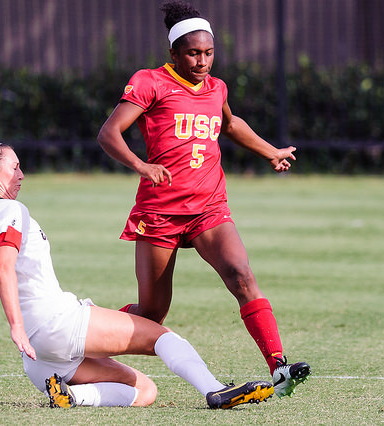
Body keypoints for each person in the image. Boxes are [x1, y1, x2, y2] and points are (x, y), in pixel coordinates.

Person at [0, 136, 275, 409]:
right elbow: (4, 267)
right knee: (161, 336)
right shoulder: (9, 209)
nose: (21, 174)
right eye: (14, 166)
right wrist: (16, 327)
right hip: (56, 326)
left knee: (144, 391)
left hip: (39, 360)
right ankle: (214, 390)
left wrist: (24, 332)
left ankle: (72, 396)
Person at [97, 1, 310, 398]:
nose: (202, 61)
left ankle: (279, 366)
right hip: (160, 211)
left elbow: (230, 124)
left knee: (241, 275)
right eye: (193, 53)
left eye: (208, 53)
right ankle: (85, 328)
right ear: (174, 53)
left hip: (209, 207)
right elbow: (109, 133)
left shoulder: (217, 88)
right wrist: (141, 165)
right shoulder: (150, 82)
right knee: (153, 314)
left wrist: (271, 151)